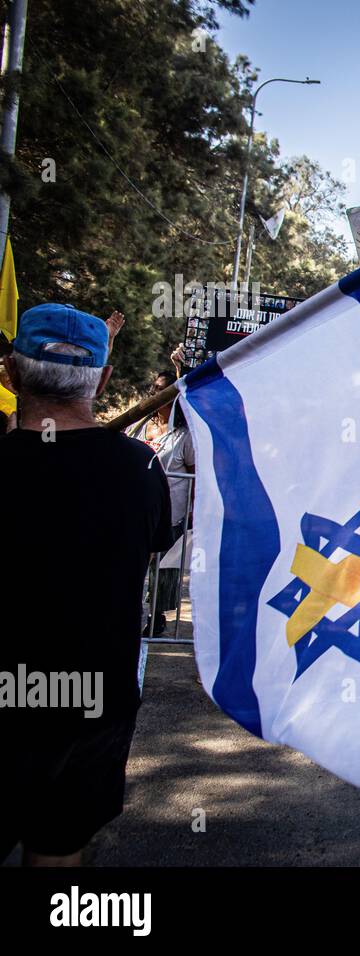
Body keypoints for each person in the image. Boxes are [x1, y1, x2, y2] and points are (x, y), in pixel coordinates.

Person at [0, 304, 172, 865]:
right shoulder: (140, 469)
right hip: (94, 700)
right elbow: (150, 548)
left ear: (10, 373)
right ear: (101, 381)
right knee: (58, 849)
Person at [129, 369, 195, 636]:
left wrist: (193, 511)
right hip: (135, 509)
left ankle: (156, 617)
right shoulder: (141, 426)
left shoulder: (184, 436)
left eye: (162, 390)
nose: (155, 394)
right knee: (132, 564)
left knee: (162, 569)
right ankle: (128, 612)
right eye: (154, 388)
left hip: (170, 512)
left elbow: (195, 474)